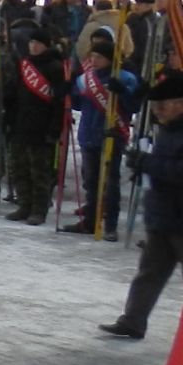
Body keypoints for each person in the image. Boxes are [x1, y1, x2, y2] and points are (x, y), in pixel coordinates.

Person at [101, 71, 183, 339]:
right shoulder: (168, 130)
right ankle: (133, 320)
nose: (158, 112)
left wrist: (146, 163)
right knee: (149, 273)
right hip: (162, 215)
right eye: (155, 108)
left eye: (162, 107)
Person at [65, 31, 140, 236]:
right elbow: (79, 104)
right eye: (93, 57)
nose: (94, 61)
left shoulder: (124, 78)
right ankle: (90, 221)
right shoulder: (85, 78)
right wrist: (69, 90)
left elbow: (133, 105)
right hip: (89, 134)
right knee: (91, 181)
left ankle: (110, 226)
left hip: (111, 134)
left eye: (99, 57)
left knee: (110, 183)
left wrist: (121, 92)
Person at [1, 25, 67, 224]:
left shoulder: (55, 67)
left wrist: (54, 129)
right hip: (21, 124)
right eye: (31, 43)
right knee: (19, 168)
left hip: (42, 127)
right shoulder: (24, 65)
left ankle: (39, 209)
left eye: (38, 43)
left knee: (39, 171)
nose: (34, 46)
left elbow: (58, 102)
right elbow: (14, 92)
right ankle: (24, 205)